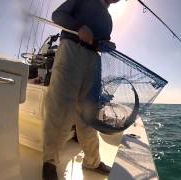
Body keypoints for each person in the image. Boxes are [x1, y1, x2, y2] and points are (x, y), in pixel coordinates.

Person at [42, 0, 120, 179]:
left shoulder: (109, 19)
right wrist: (79, 27)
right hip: (72, 50)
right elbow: (57, 15)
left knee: (88, 116)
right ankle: (49, 163)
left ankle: (92, 162)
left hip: (94, 61)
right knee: (60, 109)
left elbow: (101, 42)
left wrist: (107, 45)